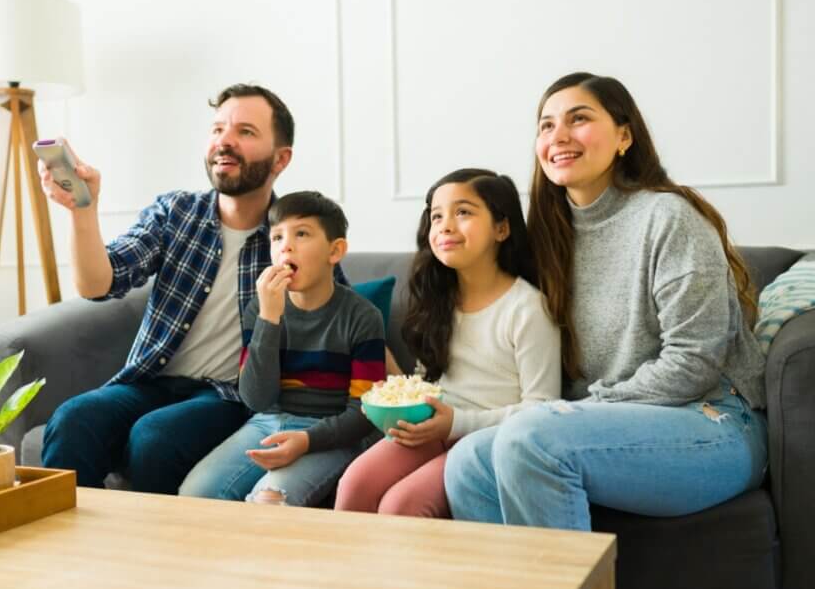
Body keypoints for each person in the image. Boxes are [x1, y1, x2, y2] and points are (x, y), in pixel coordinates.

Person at [444, 72, 769, 530]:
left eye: (578, 119)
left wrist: (586, 408)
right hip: (604, 423)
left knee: (530, 437)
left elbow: (695, 362)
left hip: (712, 423)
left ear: (624, 136)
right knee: (467, 463)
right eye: (546, 125)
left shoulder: (669, 217)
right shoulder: (550, 239)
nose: (558, 136)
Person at [39, 84, 331, 493]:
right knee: (73, 419)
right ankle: (70, 548)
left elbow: (340, 313)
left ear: (280, 159)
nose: (224, 141)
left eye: (245, 132)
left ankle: (156, 551)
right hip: (150, 381)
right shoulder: (176, 213)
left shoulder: (292, 237)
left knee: (155, 437)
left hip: (228, 397)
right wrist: (83, 211)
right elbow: (96, 284)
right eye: (217, 129)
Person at [334, 169, 560, 518]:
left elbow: (542, 408)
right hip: (435, 427)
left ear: (502, 228)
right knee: (355, 484)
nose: (445, 225)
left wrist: (457, 423)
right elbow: (428, 382)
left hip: (488, 437)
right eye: (436, 215)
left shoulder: (528, 308)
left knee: (402, 504)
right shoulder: (436, 301)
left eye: (464, 212)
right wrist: (393, 408)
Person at [178, 191, 386, 506]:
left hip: (332, 433)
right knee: (195, 496)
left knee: (269, 500)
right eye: (276, 237)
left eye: (301, 234)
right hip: (266, 423)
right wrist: (269, 319)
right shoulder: (260, 309)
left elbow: (365, 413)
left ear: (335, 250)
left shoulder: (362, 316)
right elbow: (255, 398)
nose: (285, 245)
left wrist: (306, 440)